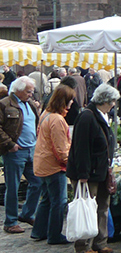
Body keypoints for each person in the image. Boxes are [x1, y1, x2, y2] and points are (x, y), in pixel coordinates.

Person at [67, 83, 120, 253]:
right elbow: (80, 148)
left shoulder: (101, 115)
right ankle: (83, 245)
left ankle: (100, 242)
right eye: (112, 101)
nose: (114, 105)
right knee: (87, 208)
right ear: (105, 100)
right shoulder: (87, 117)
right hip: (89, 173)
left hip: (102, 170)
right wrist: (83, 174)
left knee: (102, 207)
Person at [31, 84, 75, 244]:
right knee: (59, 201)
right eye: (70, 101)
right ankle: (54, 235)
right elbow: (61, 149)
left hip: (42, 163)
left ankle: (38, 231)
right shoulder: (57, 119)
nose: (72, 104)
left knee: (47, 199)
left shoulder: (45, 114)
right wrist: (70, 163)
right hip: (53, 166)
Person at [0, 77, 41, 234]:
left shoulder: (29, 104)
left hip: (32, 150)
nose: (31, 94)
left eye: (32, 91)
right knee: (13, 187)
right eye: (28, 91)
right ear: (18, 90)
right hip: (15, 152)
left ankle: (27, 214)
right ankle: (10, 221)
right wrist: (10, 144)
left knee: (37, 182)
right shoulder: (5, 104)